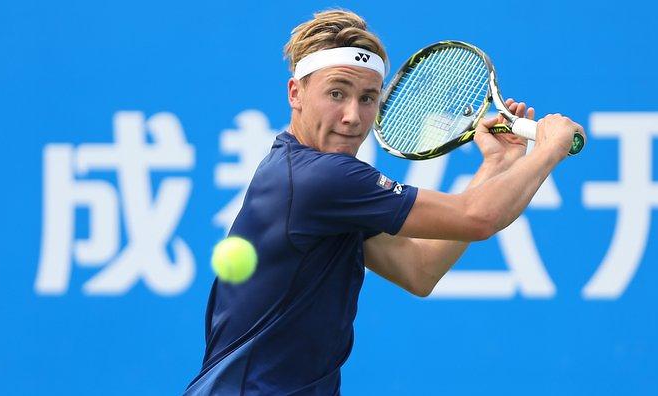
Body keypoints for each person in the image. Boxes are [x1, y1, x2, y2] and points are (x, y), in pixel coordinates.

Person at [185, 9, 585, 395]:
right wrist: (548, 150)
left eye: (367, 98)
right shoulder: (323, 179)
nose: (352, 116)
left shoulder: (317, 183)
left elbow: (419, 270)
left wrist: (497, 163)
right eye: (336, 93)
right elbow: (477, 217)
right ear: (296, 93)